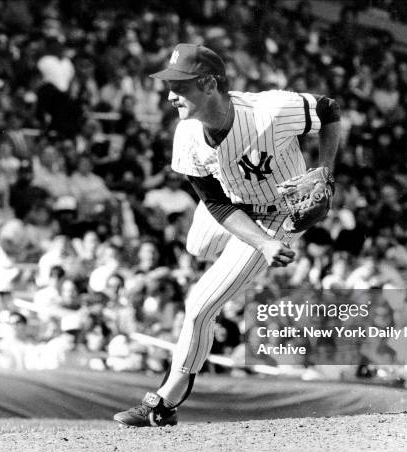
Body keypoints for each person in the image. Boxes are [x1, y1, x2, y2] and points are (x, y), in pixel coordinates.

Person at [114, 44, 340, 427]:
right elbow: (217, 206)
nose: (169, 95)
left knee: (200, 305)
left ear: (208, 84)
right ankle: (240, 259)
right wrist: (259, 243)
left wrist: (326, 170)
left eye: (179, 86)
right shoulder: (186, 136)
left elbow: (329, 110)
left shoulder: (271, 111)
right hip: (233, 206)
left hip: (279, 215)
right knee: (196, 245)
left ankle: (163, 403)